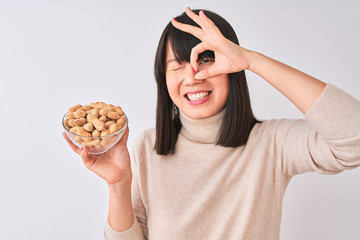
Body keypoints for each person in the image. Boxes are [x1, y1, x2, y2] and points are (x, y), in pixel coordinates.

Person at [63, 8, 360, 240]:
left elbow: (354, 138)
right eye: (176, 65)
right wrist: (118, 184)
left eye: (206, 60)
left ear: (233, 68)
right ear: (163, 79)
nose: (192, 76)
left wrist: (252, 60)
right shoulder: (146, 148)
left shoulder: (271, 144)